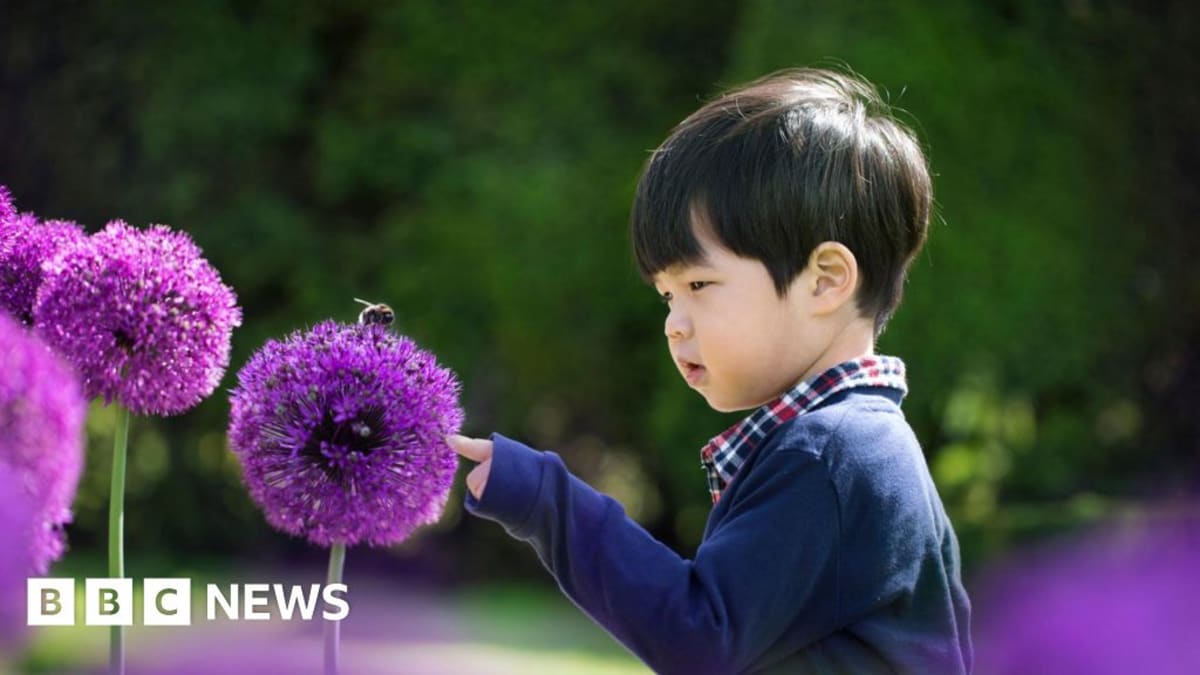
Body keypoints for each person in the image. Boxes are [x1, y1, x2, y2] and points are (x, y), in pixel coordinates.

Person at [447, 67, 972, 674]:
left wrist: (547, 499)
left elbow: (700, 635)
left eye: (699, 283)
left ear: (825, 280)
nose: (675, 323)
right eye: (668, 296)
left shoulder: (832, 455)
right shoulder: (856, 443)